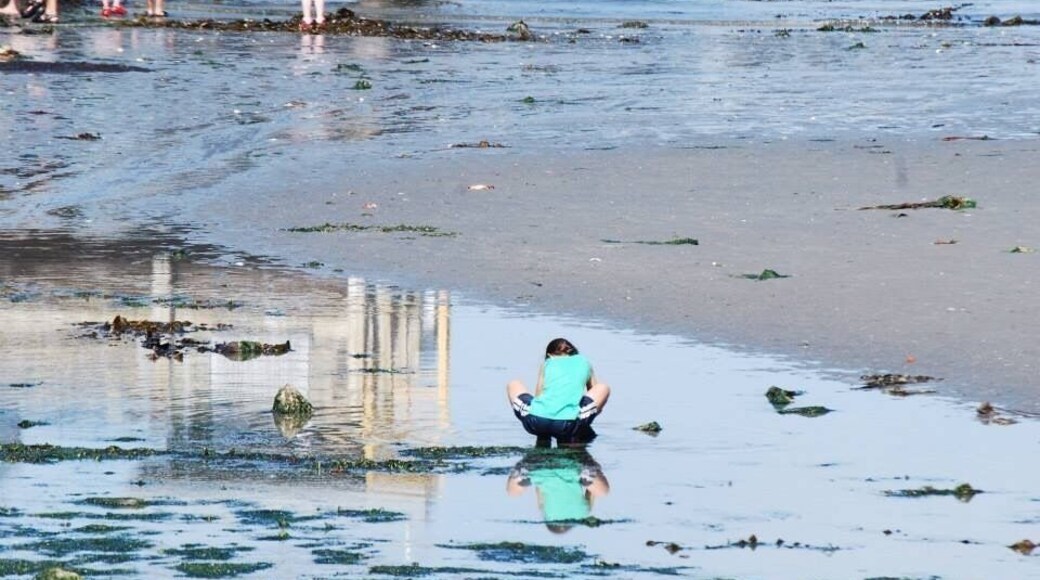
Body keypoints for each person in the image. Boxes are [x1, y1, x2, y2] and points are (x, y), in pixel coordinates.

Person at [507, 338, 610, 446]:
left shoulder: (548, 363)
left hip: (536, 421)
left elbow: (538, 396)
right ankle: (572, 433)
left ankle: (543, 437)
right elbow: (593, 395)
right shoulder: (584, 362)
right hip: (567, 424)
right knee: (603, 387)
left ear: (550, 355)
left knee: (513, 384)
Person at [506, 448, 610, 533]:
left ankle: (587, 473)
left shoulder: (583, 513)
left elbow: (591, 493)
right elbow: (539, 490)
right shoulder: (544, 510)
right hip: (542, 471)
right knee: (512, 493)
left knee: (602, 491)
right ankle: (522, 474)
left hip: (572, 470)